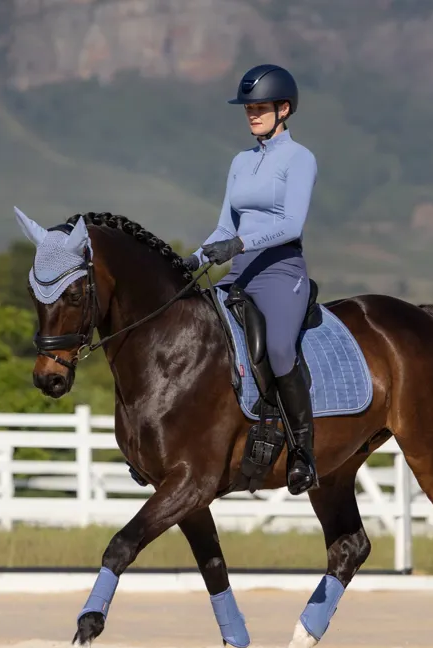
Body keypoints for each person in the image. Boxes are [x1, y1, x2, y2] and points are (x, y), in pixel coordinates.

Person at [182, 64, 319, 495]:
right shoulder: (240, 162)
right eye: (248, 108)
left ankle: (304, 452)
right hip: (239, 269)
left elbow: (292, 224)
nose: (252, 114)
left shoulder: (300, 159)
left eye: (260, 107)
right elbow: (225, 226)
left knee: (278, 349)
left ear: (284, 109)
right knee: (195, 336)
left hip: (280, 270)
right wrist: (195, 258)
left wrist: (239, 245)